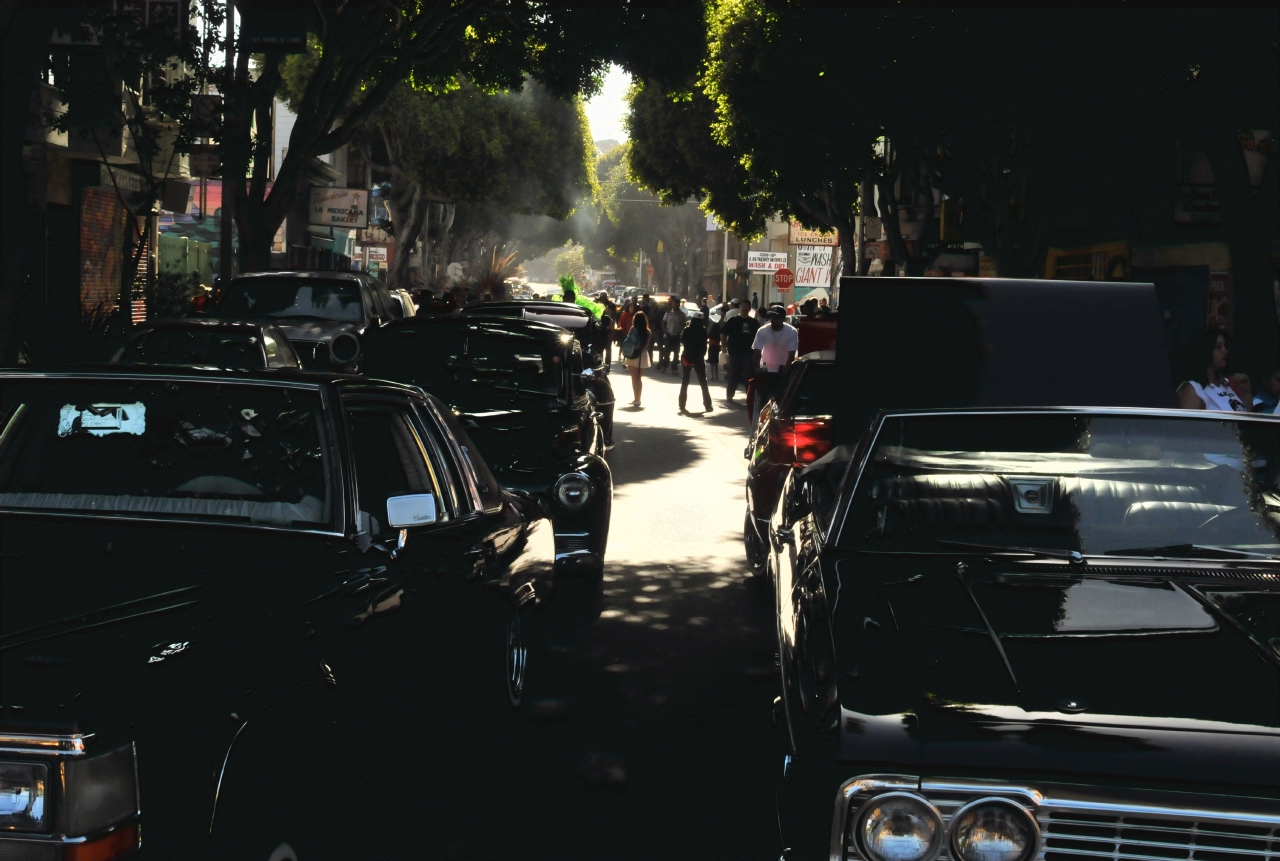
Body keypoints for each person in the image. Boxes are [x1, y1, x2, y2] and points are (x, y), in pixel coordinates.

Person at [1175, 329, 1247, 412]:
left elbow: (1245, 418)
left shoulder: (1224, 384)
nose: (1225, 351)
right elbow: (1184, 423)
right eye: (1218, 347)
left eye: (1225, 346)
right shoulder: (1193, 388)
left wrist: (1246, 391)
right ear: (1206, 350)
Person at [750, 303, 800, 416]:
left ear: (783, 319)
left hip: (783, 370)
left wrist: (787, 371)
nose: (773, 320)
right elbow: (757, 352)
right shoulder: (762, 331)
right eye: (771, 317)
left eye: (776, 317)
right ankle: (762, 421)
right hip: (766, 369)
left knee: (780, 399)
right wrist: (757, 369)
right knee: (763, 399)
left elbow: (791, 354)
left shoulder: (791, 332)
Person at [721, 302, 760, 403]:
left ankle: (749, 395)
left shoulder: (754, 322)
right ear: (740, 307)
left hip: (748, 353)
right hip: (734, 352)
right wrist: (723, 346)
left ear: (750, 308)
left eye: (747, 306)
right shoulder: (733, 320)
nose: (744, 308)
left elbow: (759, 337)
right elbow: (723, 333)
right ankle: (729, 395)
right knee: (732, 373)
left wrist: (758, 351)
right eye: (743, 306)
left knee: (749, 375)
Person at [677, 311, 714, 415]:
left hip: (687, 357)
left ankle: (682, 405)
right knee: (703, 383)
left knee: (685, 381)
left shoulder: (687, 330)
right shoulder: (703, 331)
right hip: (699, 359)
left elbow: (682, 341)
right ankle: (708, 405)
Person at [622, 311, 652, 406]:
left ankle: (636, 399)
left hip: (632, 354)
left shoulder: (633, 329)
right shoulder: (647, 331)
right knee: (639, 378)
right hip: (642, 355)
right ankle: (638, 398)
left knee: (634, 378)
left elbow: (628, 341)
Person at [659, 298, 686, 374]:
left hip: (677, 336)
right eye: (673, 304)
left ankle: (674, 368)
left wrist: (681, 331)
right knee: (666, 352)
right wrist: (665, 331)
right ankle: (665, 366)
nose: (675, 305)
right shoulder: (668, 313)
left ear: (679, 304)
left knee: (676, 353)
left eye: (676, 304)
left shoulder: (682, 314)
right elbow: (663, 322)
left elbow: (684, 324)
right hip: (669, 335)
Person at [705, 313, 723, 381]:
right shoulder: (719, 333)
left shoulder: (711, 332)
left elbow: (708, 336)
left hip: (711, 346)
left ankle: (713, 376)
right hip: (717, 346)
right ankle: (716, 376)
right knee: (715, 362)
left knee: (712, 362)